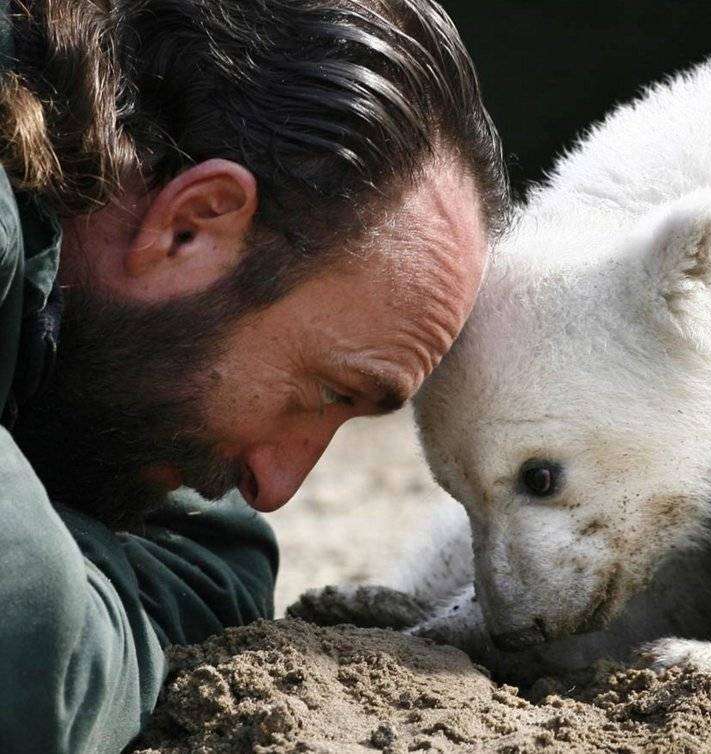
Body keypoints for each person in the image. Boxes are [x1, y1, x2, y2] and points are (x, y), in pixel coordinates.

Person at [0, 0, 507, 751]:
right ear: (192, 224)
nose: (276, 486)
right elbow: (41, 675)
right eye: (326, 393)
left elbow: (204, 577)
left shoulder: (105, 354)